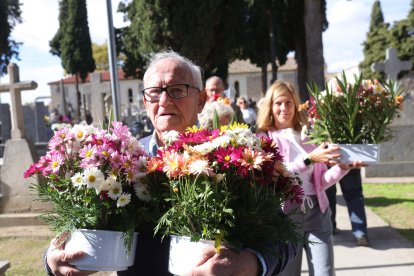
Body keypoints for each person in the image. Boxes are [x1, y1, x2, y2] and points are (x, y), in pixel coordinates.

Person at [45, 51, 297, 276]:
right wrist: (53, 259)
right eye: (154, 93)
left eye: (177, 90)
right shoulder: (118, 163)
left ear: (200, 100)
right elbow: (79, 225)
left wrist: (252, 263)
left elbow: (285, 236)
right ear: (145, 103)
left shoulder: (234, 159)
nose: (164, 101)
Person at [256, 80, 366, 276]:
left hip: (317, 211)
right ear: (270, 107)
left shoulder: (309, 137)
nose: (284, 108)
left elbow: (321, 181)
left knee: (325, 273)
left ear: (296, 105)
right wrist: (309, 159)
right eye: (278, 103)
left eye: (289, 103)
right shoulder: (264, 139)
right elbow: (276, 174)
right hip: (285, 216)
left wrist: (343, 167)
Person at [325, 169, 369, 246]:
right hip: (350, 162)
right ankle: (360, 233)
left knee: (328, 197)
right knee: (354, 196)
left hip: (328, 162)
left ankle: (330, 227)